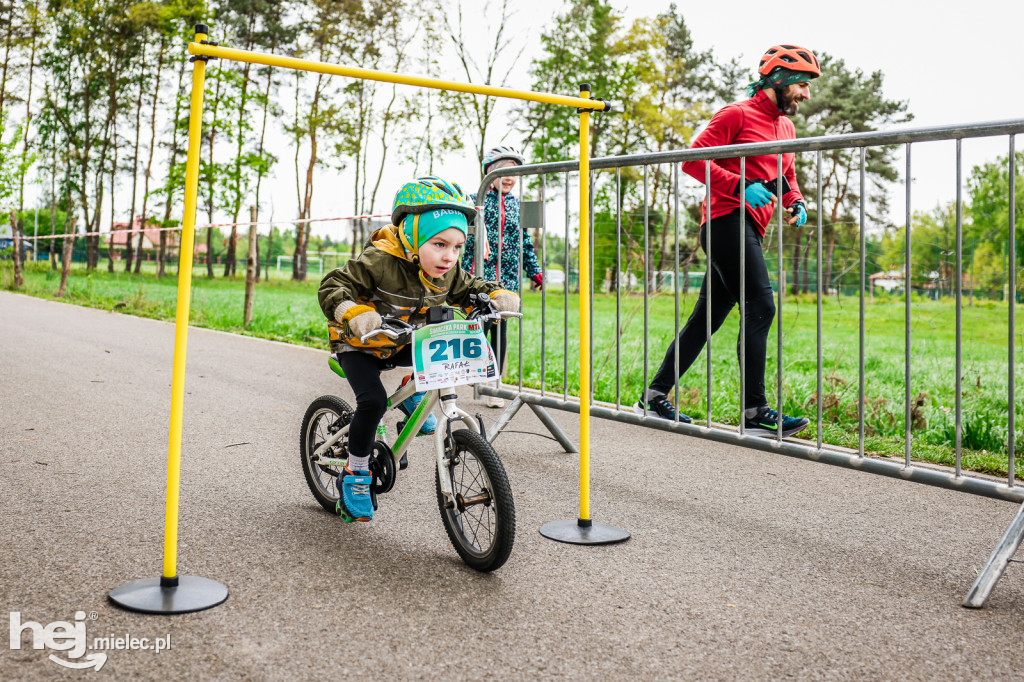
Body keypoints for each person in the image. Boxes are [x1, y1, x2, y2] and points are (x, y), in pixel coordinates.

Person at [635, 44, 819, 439]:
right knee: (762, 306)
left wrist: (795, 201)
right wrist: (741, 186)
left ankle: (655, 394)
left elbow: (787, 175)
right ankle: (755, 409)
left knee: (706, 320)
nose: (806, 94)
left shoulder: (786, 127)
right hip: (723, 222)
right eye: (802, 85)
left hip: (751, 226)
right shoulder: (737, 114)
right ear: (780, 80)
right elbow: (691, 158)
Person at [318, 176, 520, 522]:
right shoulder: (379, 261)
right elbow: (334, 285)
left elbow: (469, 287)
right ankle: (356, 471)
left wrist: (493, 296)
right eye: (440, 244)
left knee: (441, 352)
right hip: (360, 344)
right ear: (412, 237)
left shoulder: (445, 272)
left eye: (458, 247)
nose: (450, 257)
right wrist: (353, 313)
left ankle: (412, 392)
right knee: (373, 403)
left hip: (400, 339)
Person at [461, 145, 543, 408]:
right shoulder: (474, 200)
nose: (510, 178)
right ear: (489, 172)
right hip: (478, 278)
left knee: (499, 330)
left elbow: (526, 242)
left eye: (515, 172)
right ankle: (474, 374)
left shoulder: (520, 206)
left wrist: (535, 271)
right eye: (504, 172)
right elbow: (463, 238)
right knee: (477, 327)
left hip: (506, 281)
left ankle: (493, 382)